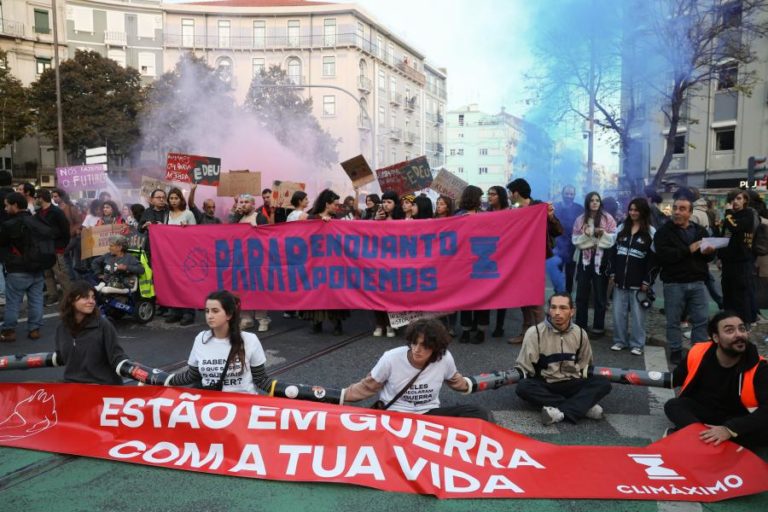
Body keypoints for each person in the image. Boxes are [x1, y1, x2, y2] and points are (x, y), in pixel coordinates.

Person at [341, 318, 490, 420]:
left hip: (428, 414)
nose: (417, 349)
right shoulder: (391, 358)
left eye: (425, 345)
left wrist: (493, 380)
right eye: (414, 343)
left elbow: (457, 382)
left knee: (479, 413)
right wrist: (333, 396)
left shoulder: (444, 358)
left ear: (435, 347)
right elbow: (366, 387)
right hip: (396, 415)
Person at [664, 311, 768, 450]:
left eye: (742, 329)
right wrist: (635, 376)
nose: (739, 334)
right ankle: (707, 439)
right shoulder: (698, 352)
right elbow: (675, 378)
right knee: (674, 405)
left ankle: (692, 436)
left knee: (763, 430)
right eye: (730, 330)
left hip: (738, 419)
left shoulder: (760, 367)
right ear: (716, 337)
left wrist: (728, 429)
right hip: (706, 413)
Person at [515, 293, 612, 425]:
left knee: (603, 383)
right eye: (553, 307)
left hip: (571, 382)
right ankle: (581, 407)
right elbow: (525, 367)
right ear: (549, 310)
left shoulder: (580, 333)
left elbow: (585, 364)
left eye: (563, 308)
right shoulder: (534, 333)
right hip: (545, 383)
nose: (557, 312)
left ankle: (560, 412)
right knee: (523, 387)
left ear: (572, 311)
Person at [169, 290, 273, 393]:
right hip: (210, 401)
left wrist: (282, 389)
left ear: (229, 315)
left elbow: (261, 379)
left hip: (242, 401)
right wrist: (164, 379)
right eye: (207, 311)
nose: (209, 316)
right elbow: (192, 375)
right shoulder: (201, 338)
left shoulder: (250, 340)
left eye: (215, 311)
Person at [654, 190, 715, 365]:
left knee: (701, 320)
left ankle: (698, 352)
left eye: (682, 209)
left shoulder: (700, 230)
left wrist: (709, 253)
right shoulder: (663, 232)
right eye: (675, 208)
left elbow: (708, 258)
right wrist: (688, 249)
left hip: (698, 282)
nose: (677, 212)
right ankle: (675, 350)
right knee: (673, 321)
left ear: (690, 212)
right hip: (674, 283)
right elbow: (664, 256)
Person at [507, 178, 565, 344]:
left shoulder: (539, 207)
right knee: (523, 297)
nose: (509, 196)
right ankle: (526, 332)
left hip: (535, 259)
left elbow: (558, 230)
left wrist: (550, 217)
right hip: (519, 259)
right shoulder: (514, 210)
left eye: (510, 192)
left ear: (516, 193)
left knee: (534, 298)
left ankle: (542, 337)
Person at [0, 192, 56, 342]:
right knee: (36, 300)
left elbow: (2, 245)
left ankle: (9, 331)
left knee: (13, 302)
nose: (5, 208)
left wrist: (9, 259)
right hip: (38, 267)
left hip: (17, 268)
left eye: (7, 205)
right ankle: (34, 329)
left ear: (15, 205)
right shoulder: (38, 221)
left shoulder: (9, 225)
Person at [53, 281, 128, 384]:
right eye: (85, 297)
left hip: (103, 385)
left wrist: (136, 371)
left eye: (93, 297)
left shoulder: (103, 325)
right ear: (71, 300)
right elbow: (60, 357)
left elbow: (117, 357)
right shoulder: (61, 327)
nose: (91, 301)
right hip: (73, 385)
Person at [609, 198, 657, 355]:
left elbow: (654, 260)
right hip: (620, 281)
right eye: (631, 209)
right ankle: (620, 341)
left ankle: (637, 344)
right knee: (618, 314)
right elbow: (612, 252)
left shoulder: (651, 232)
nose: (633, 212)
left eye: (636, 210)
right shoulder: (621, 228)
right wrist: (612, 272)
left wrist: (647, 280)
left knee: (638, 316)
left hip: (639, 283)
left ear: (643, 211)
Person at [303, 189, 349, 335]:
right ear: (327, 204)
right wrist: (319, 224)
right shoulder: (311, 218)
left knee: (334, 293)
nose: (337, 207)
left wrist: (332, 225)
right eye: (335, 204)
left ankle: (336, 323)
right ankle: (316, 322)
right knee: (316, 292)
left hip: (334, 263)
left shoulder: (338, 220)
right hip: (316, 263)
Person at [572, 191, 617, 337]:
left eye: (597, 200)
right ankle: (581, 325)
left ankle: (598, 327)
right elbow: (576, 241)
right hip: (584, 262)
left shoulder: (608, 218)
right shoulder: (580, 219)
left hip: (601, 261)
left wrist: (602, 234)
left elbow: (612, 240)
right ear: (587, 202)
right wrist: (589, 237)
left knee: (600, 296)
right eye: (592, 200)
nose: (595, 202)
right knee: (581, 295)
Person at [455, 185, 490, 344]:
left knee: (484, 298)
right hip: (464, 263)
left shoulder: (485, 215)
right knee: (466, 298)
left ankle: (481, 330)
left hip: (482, 262)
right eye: (480, 197)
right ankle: (466, 330)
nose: (481, 200)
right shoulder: (458, 215)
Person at [718, 189, 757, 325]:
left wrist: (728, 213)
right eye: (732, 199)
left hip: (741, 262)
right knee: (727, 293)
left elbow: (735, 227)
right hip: (728, 261)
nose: (735, 201)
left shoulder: (748, 214)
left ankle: (744, 323)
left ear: (745, 200)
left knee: (740, 294)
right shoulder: (729, 217)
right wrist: (720, 256)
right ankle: (729, 321)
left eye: (739, 198)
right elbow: (724, 236)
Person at [164, 187, 197, 326]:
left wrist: (187, 229)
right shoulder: (166, 215)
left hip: (185, 254)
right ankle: (175, 311)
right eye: (171, 198)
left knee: (186, 283)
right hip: (170, 254)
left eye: (176, 198)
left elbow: (195, 233)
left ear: (181, 199)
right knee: (173, 282)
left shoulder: (188, 214)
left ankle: (188, 313)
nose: (173, 201)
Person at [238, 194, 270, 332]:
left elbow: (266, 236)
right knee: (243, 290)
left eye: (246, 202)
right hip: (242, 260)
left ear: (253, 204)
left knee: (259, 291)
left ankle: (262, 319)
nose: (243, 204)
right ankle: (246, 318)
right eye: (241, 202)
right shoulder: (239, 218)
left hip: (257, 260)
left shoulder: (260, 217)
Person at [36, 189, 72, 306]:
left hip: (56, 247)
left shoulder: (56, 212)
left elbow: (65, 229)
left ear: (41, 198)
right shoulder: (38, 212)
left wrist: (62, 245)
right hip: (43, 247)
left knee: (61, 273)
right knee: (47, 274)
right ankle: (53, 295)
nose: (36, 199)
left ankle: (68, 297)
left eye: (37, 197)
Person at [553, 185, 584, 294]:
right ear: (562, 194)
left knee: (570, 274)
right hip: (558, 246)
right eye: (567, 193)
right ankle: (557, 295)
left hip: (572, 246)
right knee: (557, 273)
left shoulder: (579, 209)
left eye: (571, 194)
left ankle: (568, 296)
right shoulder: (555, 207)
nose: (569, 196)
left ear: (574, 195)